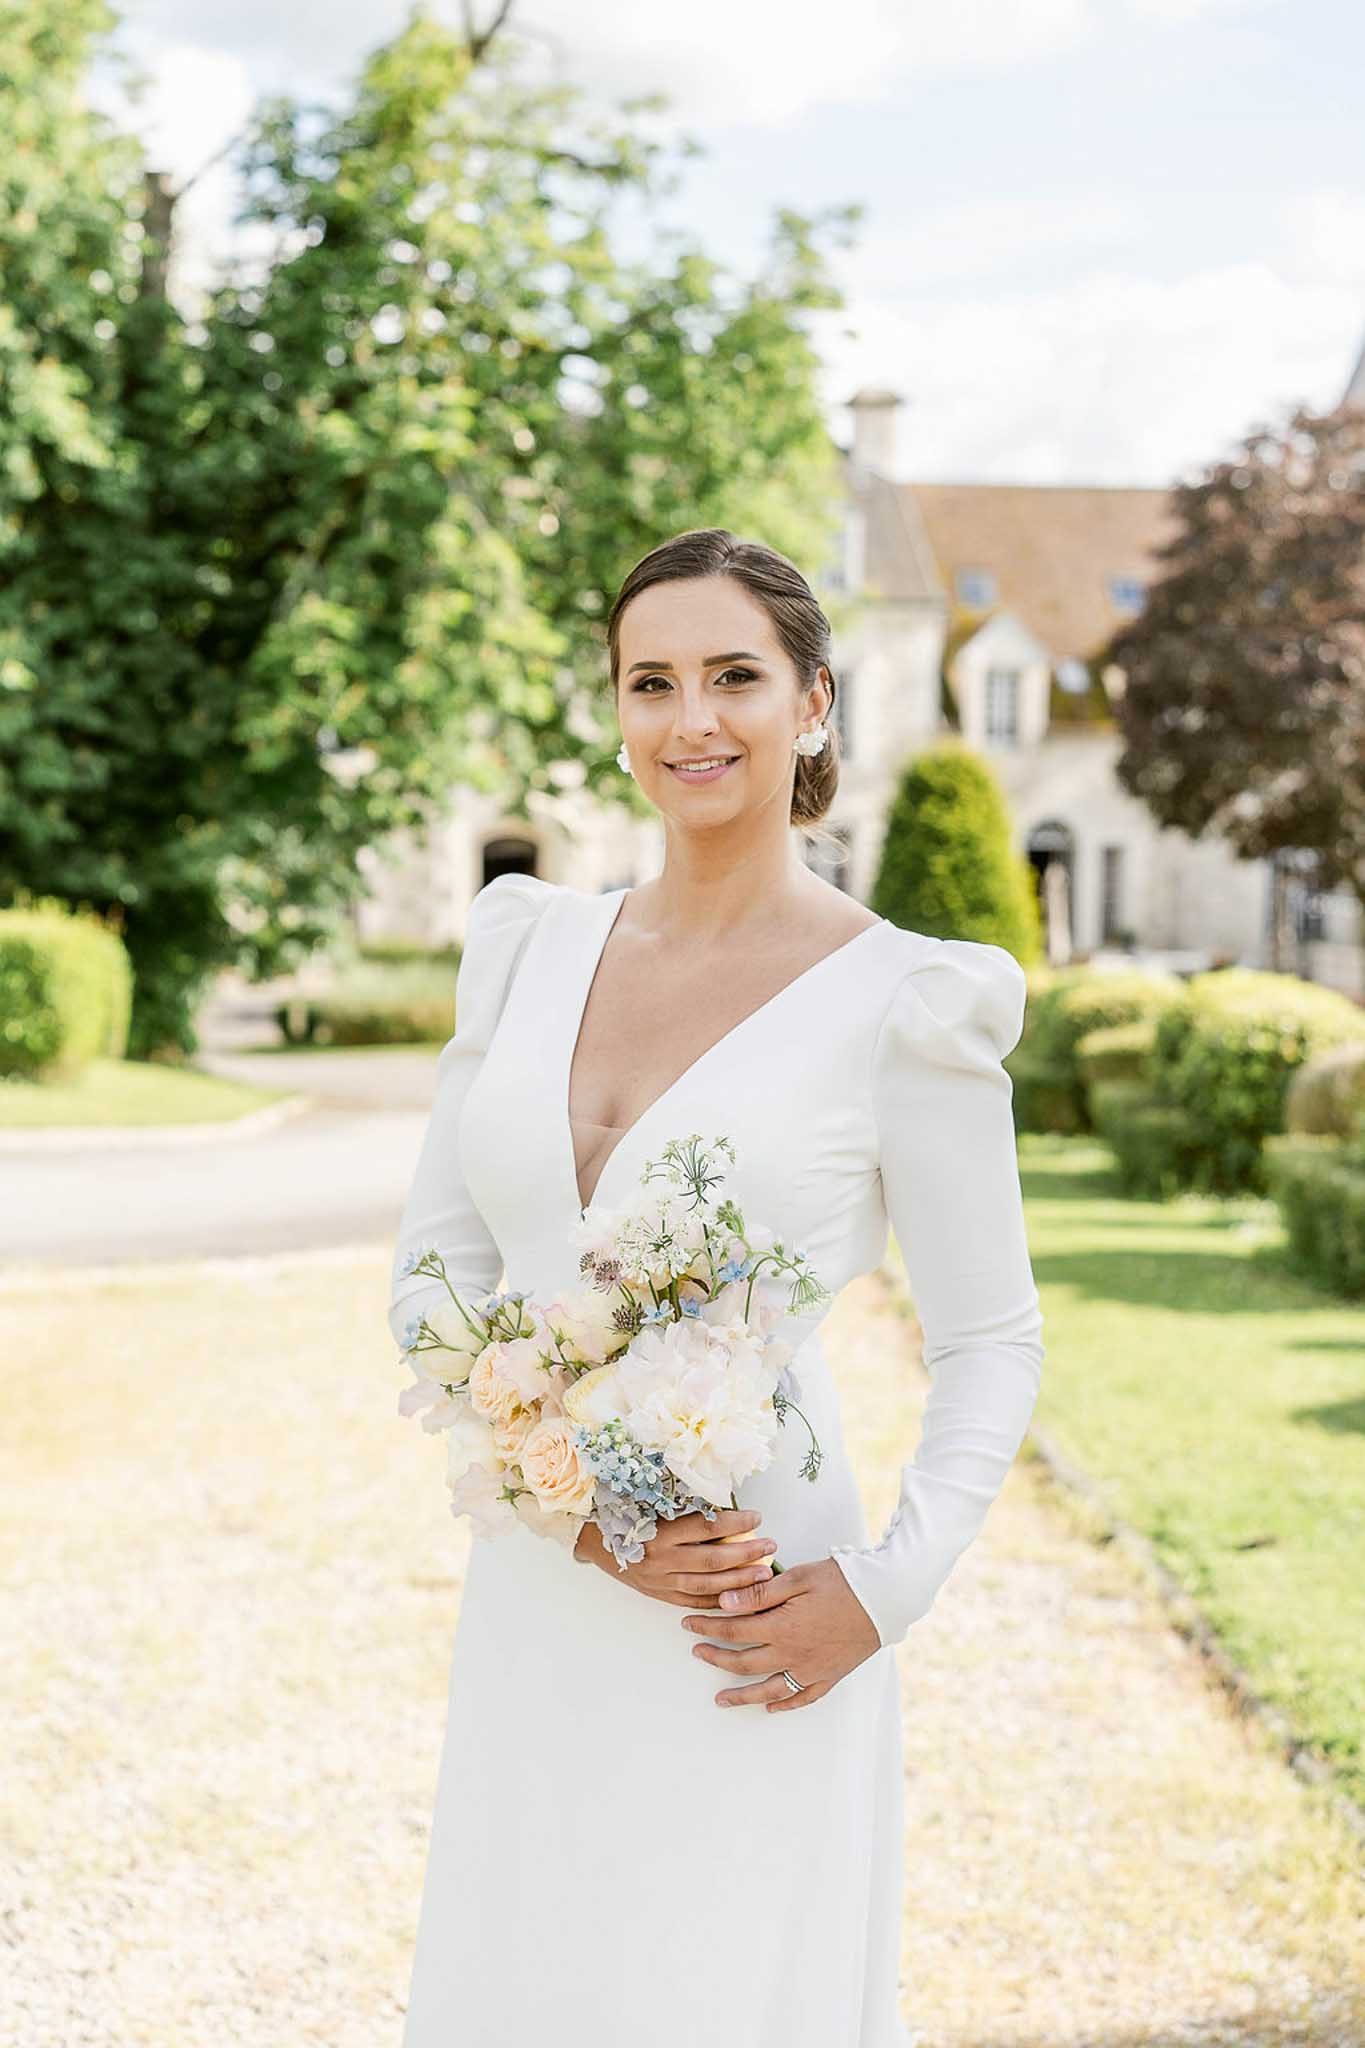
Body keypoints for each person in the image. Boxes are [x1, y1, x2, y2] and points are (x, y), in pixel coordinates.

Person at [388, 527, 1045, 2047]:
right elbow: (435, 1268)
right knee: (530, 1961)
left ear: (813, 703)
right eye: (651, 682)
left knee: (726, 1983)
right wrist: (567, 1509)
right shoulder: (527, 944)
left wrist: (883, 1594)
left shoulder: (906, 1000)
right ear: (616, 712)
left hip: (754, 1609)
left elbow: (990, 1338)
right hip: (547, 1575)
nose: (691, 719)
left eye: (734, 677)